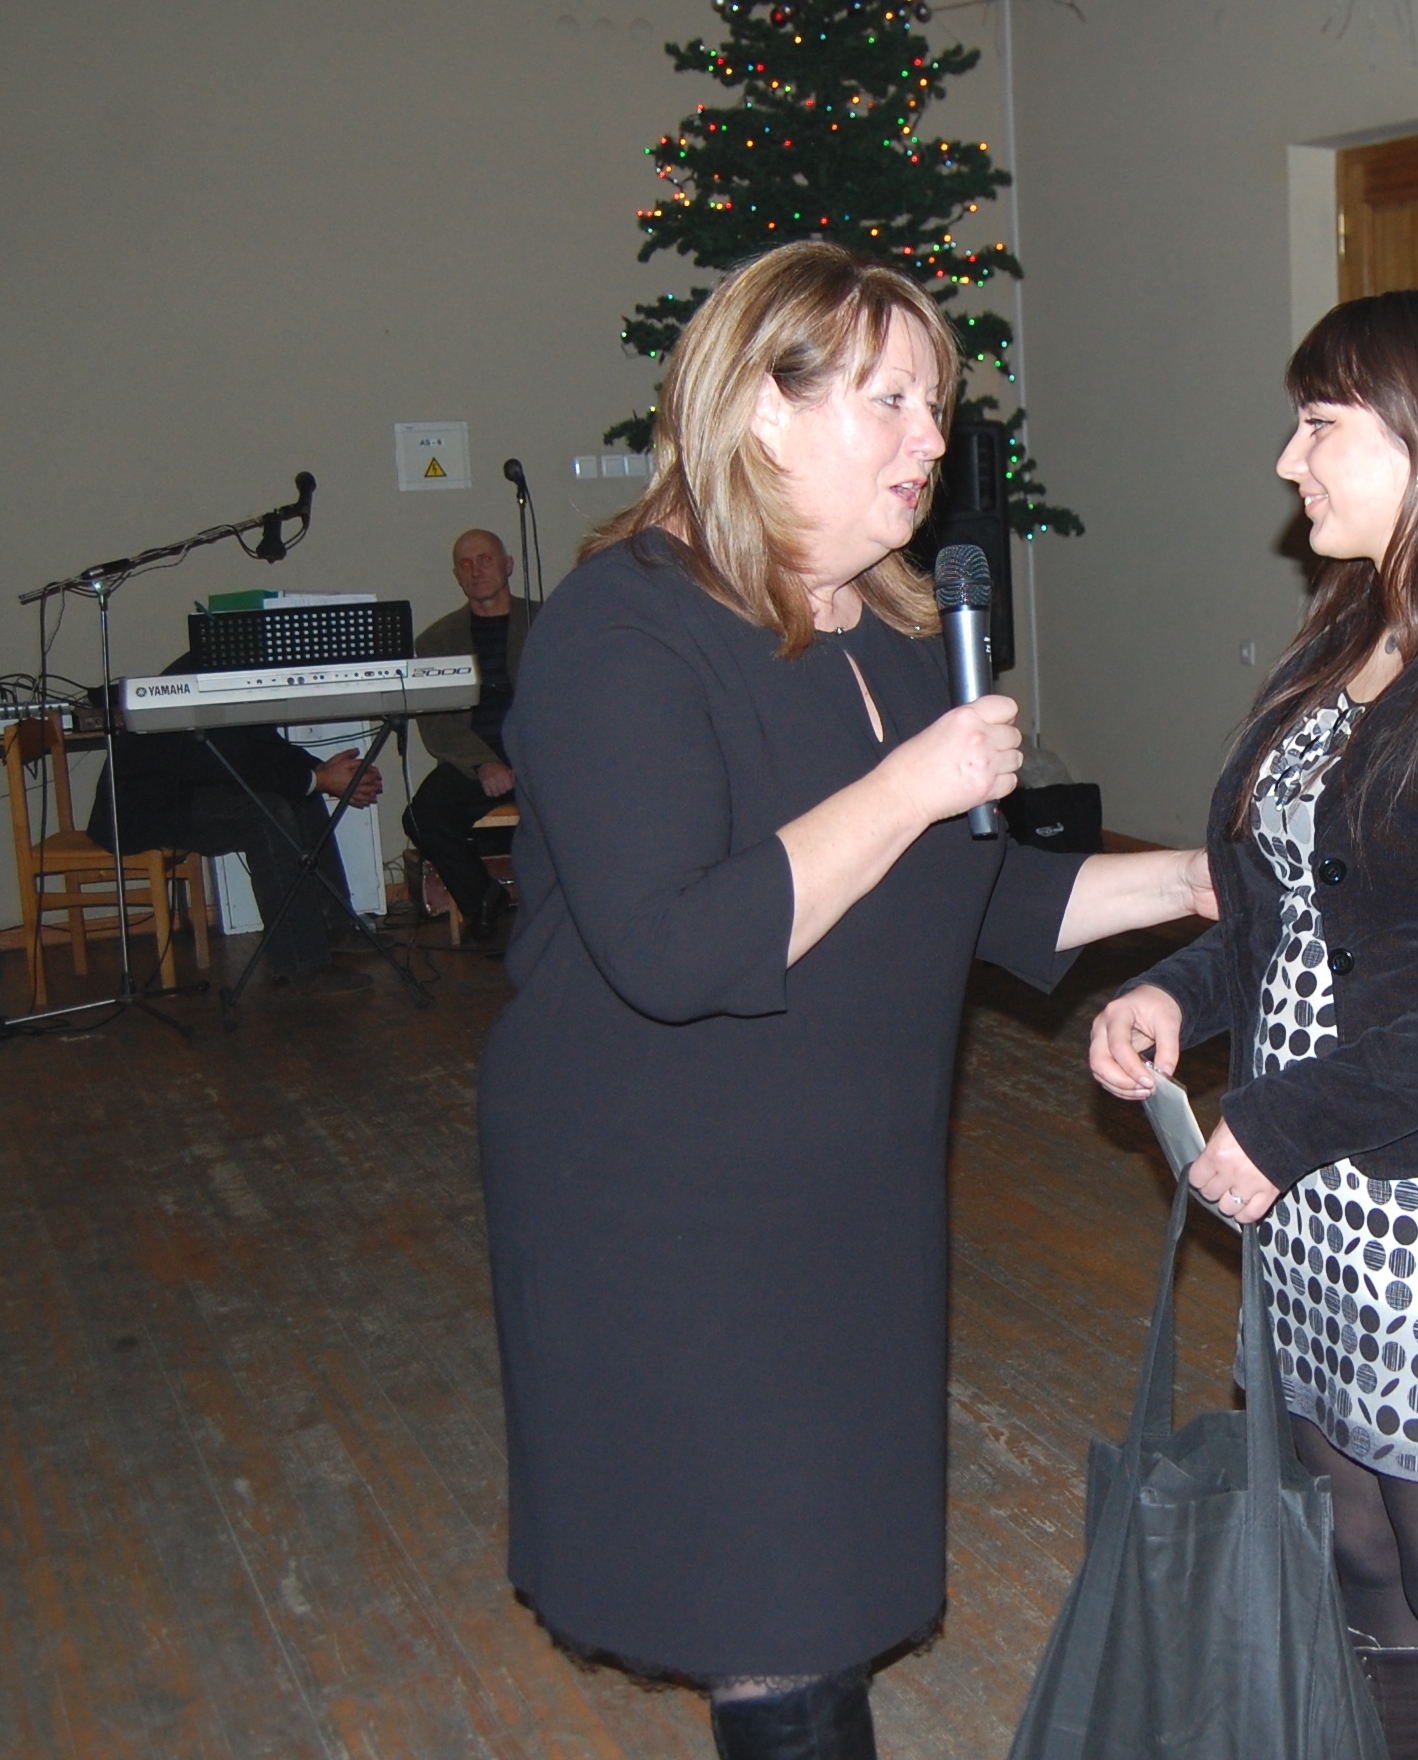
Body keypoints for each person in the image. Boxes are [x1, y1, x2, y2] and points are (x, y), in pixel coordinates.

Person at [475, 242, 1215, 1760]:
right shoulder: (620, 630)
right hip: (668, 1207)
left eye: (937, 403)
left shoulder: (885, 630)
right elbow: (676, 945)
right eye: (891, 400)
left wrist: (1198, 880)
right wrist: (910, 783)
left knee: (819, 1584)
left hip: (843, 1196)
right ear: (762, 406)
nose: (933, 438)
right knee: (776, 1621)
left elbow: (971, 893)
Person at [1089, 287, 1418, 1760]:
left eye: (1320, 424)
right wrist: (1173, 989)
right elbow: (1286, 911)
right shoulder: (1349, 640)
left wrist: (1279, 1119)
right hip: (1317, 1186)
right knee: (1355, 1545)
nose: (1288, 460)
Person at [90, 662, 384, 995]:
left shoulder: (234, 663)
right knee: (268, 815)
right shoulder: (208, 674)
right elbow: (235, 766)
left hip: (182, 793)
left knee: (298, 796)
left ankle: (333, 925)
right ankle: (299, 963)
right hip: (144, 810)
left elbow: (264, 747)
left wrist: (322, 772)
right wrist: (320, 779)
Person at [404, 528, 535, 940]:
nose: (475, 570)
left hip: (538, 751)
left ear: (508, 565)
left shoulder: (546, 622)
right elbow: (435, 722)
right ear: (457, 577)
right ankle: (482, 897)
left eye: (485, 560)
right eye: (465, 564)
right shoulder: (436, 641)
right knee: (422, 815)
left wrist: (528, 756)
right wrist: (483, 763)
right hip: (475, 755)